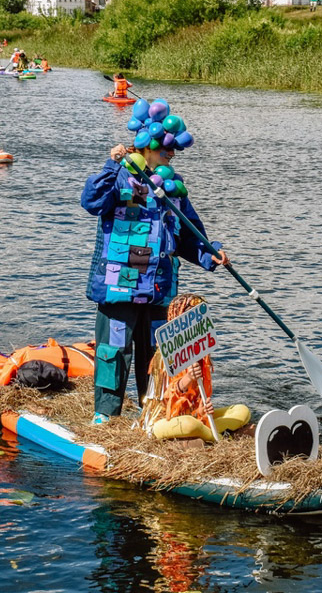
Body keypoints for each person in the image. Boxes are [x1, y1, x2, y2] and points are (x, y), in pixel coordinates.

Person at [81, 100, 229, 424]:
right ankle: (105, 417)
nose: (172, 154)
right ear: (148, 144)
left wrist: (210, 254)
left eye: (175, 149)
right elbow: (90, 201)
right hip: (120, 286)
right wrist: (111, 164)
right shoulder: (119, 177)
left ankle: (156, 415)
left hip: (159, 290)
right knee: (115, 352)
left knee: (157, 358)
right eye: (167, 148)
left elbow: (189, 236)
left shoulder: (173, 190)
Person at [140, 294, 251, 443]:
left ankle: (210, 432)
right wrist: (186, 380)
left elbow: (195, 406)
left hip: (192, 417)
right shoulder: (164, 356)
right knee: (189, 425)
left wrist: (202, 411)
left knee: (242, 410)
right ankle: (218, 437)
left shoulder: (200, 354)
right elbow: (165, 404)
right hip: (163, 421)